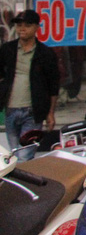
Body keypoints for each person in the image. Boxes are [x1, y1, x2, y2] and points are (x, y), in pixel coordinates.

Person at [0, 10, 60, 158]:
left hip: (33, 112)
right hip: (10, 110)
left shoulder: (45, 54)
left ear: (36, 28)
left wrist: (50, 114)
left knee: (24, 156)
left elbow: (53, 85)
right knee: (14, 155)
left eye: (27, 25)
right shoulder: (7, 50)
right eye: (19, 25)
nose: (22, 28)